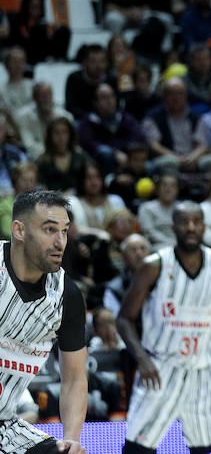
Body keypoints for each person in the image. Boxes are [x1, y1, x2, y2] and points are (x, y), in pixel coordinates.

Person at [116, 201, 211, 453]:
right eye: (184, 222)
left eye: (196, 222)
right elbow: (124, 319)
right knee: (137, 449)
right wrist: (142, 359)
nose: (191, 227)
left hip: (204, 370)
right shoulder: (154, 265)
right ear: (174, 227)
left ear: (204, 226)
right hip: (160, 369)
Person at [0, 190, 87, 453]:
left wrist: (71, 439)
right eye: (50, 230)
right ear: (19, 230)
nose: (60, 241)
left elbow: (74, 378)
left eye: (64, 231)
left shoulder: (66, 296)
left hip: (5, 425)